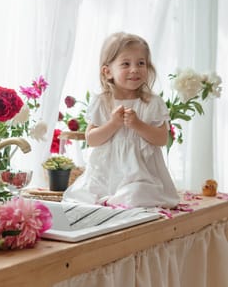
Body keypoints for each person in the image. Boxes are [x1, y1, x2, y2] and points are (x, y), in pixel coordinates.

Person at [63, 32, 179, 208]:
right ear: (107, 71)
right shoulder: (102, 101)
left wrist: (137, 124)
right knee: (84, 194)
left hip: (140, 176)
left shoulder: (152, 102)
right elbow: (92, 139)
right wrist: (113, 124)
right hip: (104, 174)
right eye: (126, 64)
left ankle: (116, 202)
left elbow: (161, 139)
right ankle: (110, 200)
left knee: (139, 194)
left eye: (141, 63)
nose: (135, 69)